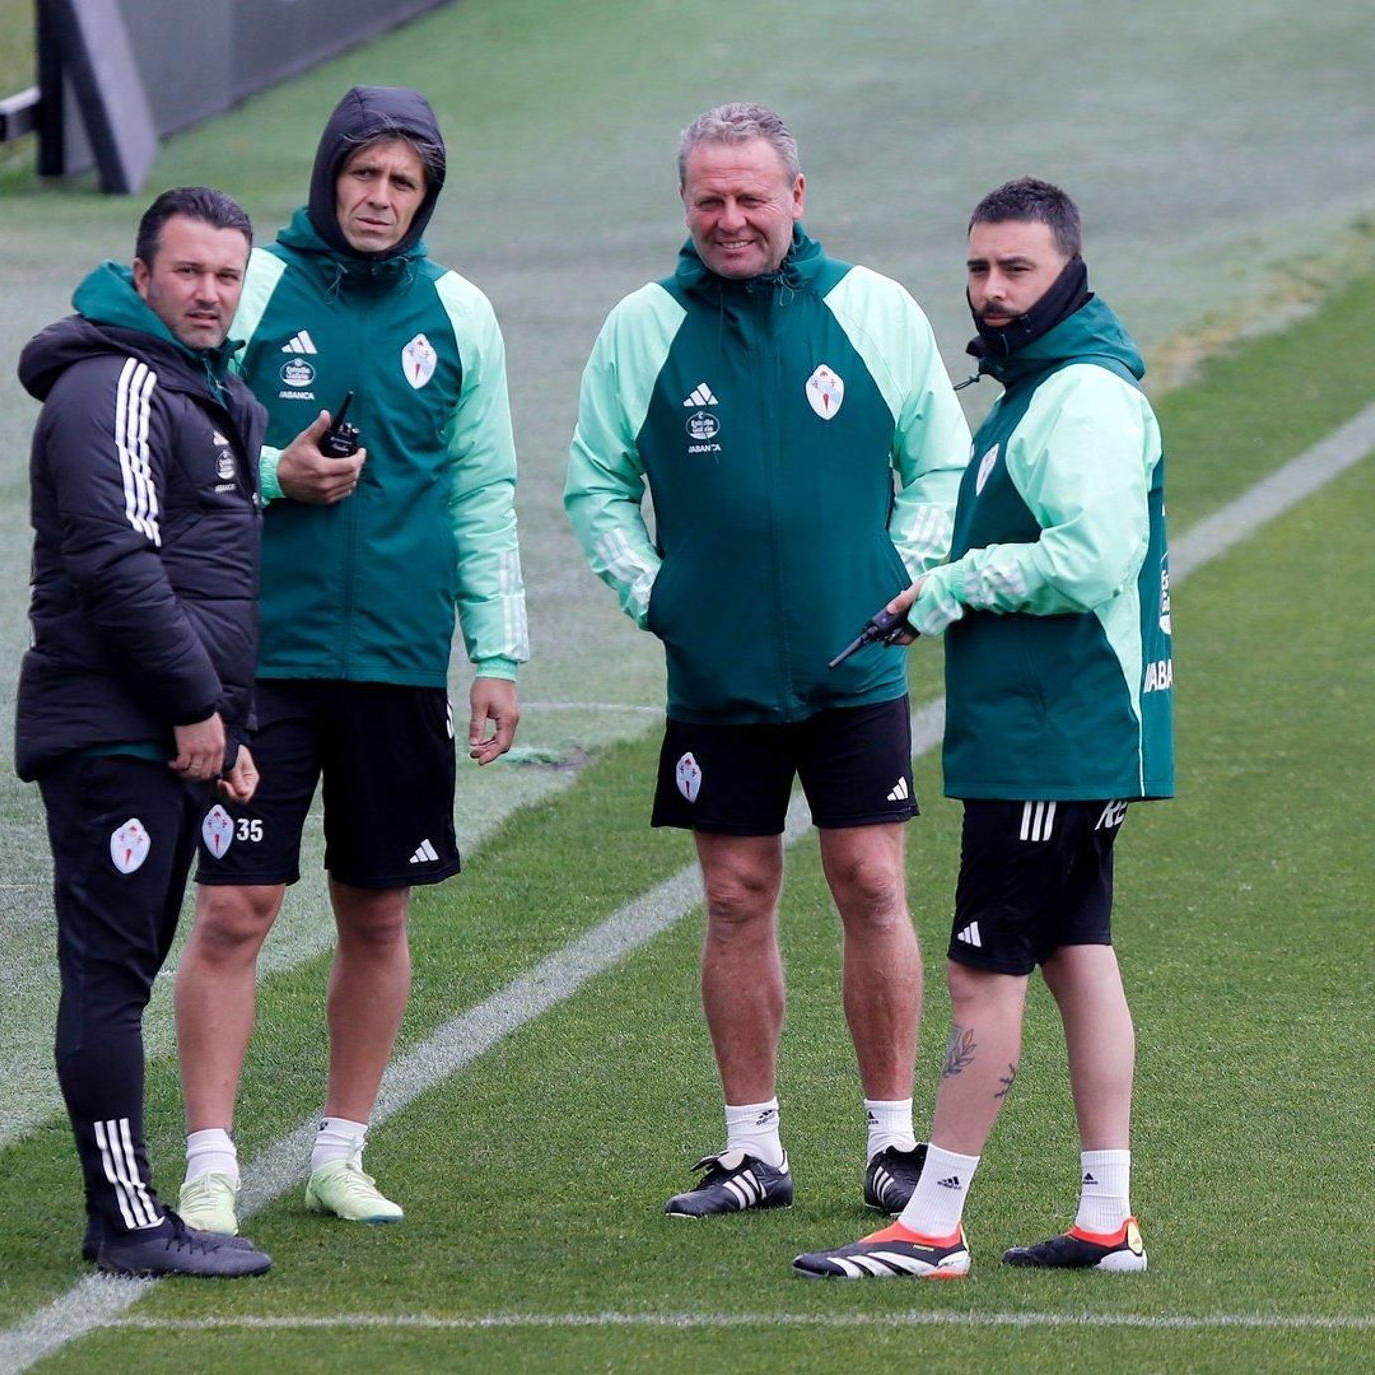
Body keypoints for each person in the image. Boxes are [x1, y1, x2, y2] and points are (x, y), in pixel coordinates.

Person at [565, 102, 969, 1218]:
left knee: (873, 883)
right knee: (736, 895)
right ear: (685, 205)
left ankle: (892, 1142)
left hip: (856, 666)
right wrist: (657, 596)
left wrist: (909, 573)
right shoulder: (641, 327)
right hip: (718, 672)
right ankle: (753, 1149)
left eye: (751, 197)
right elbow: (594, 485)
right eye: (709, 200)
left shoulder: (872, 310)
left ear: (796, 197)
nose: (730, 219)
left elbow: (943, 461)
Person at [794, 177, 1174, 1280]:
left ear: (1069, 272)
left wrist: (953, 583)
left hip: (1051, 727)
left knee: (981, 973)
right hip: (1064, 724)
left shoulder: (1083, 399)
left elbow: (1089, 558)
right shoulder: (1040, 388)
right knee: (1076, 954)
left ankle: (932, 1223)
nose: (993, 291)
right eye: (978, 269)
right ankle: (1106, 1217)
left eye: (1017, 269)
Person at [173, 86, 528, 1232]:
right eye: (361, 175)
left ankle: (340, 1152)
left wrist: (499, 652)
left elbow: (482, 488)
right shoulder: (256, 288)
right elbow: (178, 436)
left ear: (427, 198)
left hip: (394, 663)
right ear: (329, 174)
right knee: (237, 906)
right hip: (256, 663)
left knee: (378, 914)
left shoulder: (459, 310)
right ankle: (211, 1162)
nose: (378, 199)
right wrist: (276, 473)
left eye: (403, 183)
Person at [15, 186, 271, 1277]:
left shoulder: (199, 388)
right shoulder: (113, 382)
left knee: (127, 966)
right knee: (111, 976)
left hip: (166, 728)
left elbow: (208, 572)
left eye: (226, 274)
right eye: (188, 272)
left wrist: (233, 723)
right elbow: (116, 564)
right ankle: (124, 1219)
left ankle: (128, 1211)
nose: (208, 292)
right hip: (120, 729)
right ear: (142, 277)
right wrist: (191, 706)